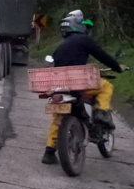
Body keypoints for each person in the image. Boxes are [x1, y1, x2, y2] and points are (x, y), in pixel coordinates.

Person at [41, 10, 126, 165]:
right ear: (78, 26)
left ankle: (49, 152)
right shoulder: (84, 40)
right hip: (79, 85)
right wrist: (117, 67)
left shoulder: (60, 47)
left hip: (61, 88)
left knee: (58, 118)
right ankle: (101, 113)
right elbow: (103, 56)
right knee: (106, 86)